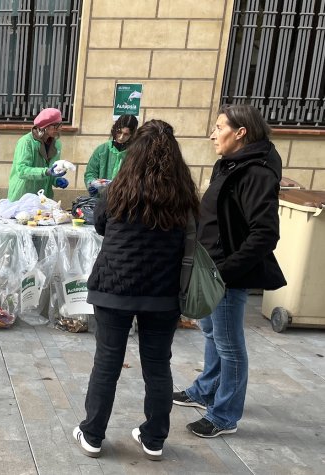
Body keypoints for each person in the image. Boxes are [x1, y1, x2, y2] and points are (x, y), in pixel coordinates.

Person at [73, 120, 200, 461]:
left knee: (107, 361)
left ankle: (93, 434)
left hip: (114, 286)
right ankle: (154, 439)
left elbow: (99, 224)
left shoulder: (118, 190)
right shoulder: (184, 195)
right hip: (163, 293)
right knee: (158, 365)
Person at [173, 104, 285, 438]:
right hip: (213, 270)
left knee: (230, 346)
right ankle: (206, 389)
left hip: (225, 275)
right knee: (211, 332)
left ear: (241, 133)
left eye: (219, 127)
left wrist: (223, 273)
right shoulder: (233, 165)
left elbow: (265, 234)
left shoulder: (256, 173)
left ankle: (224, 415)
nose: (212, 133)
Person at [7, 108, 74, 200]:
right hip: (23, 197)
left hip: (43, 198)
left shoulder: (56, 144)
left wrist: (56, 180)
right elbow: (21, 170)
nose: (59, 129)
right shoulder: (26, 142)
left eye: (60, 125)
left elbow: (52, 169)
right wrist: (46, 172)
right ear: (45, 127)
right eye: (56, 126)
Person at [84, 114, 138, 195]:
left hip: (124, 199)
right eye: (119, 132)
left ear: (132, 135)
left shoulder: (135, 153)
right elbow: (90, 173)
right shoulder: (102, 150)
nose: (121, 137)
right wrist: (92, 184)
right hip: (101, 198)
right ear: (115, 130)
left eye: (126, 134)